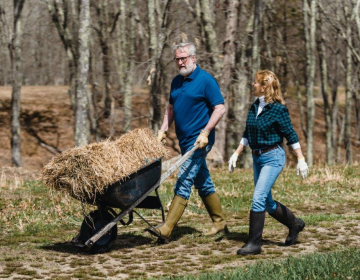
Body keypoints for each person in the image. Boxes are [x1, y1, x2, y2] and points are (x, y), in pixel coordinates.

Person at [146, 42, 228, 243]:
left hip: (199, 140)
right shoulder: (176, 81)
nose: (181, 62)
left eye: (184, 58)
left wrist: (206, 132)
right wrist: (163, 129)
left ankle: (166, 229)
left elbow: (220, 108)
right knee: (202, 180)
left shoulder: (206, 80)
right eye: (177, 59)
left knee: (184, 178)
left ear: (193, 58)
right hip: (184, 140)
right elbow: (170, 109)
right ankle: (219, 223)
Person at [228, 69, 309, 256]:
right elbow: (247, 133)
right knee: (267, 202)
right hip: (257, 157)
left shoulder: (279, 110)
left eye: (256, 82)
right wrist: (236, 153)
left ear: (265, 86)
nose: (253, 85)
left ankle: (254, 244)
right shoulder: (255, 106)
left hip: (273, 157)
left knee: (258, 199)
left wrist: (301, 158)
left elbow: (291, 134)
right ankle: (295, 224)